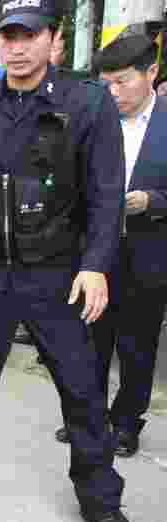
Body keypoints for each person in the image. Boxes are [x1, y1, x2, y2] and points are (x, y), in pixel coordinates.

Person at [0, 0, 132, 522]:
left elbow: (104, 195)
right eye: (8, 37)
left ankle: (100, 497)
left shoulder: (85, 103)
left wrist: (95, 265)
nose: (16, 48)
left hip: (56, 276)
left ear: (54, 38)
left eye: (29, 35)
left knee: (82, 390)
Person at [59, 34, 167, 459]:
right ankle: (86, 416)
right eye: (106, 84)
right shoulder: (91, 118)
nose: (114, 93)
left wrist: (155, 201)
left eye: (123, 82)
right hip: (93, 253)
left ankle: (125, 423)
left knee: (137, 344)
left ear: (152, 74)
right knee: (88, 340)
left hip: (148, 253)